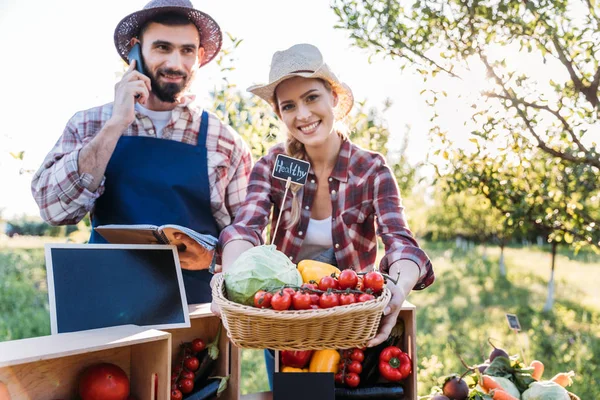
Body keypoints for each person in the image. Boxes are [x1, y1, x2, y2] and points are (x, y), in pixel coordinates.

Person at [212, 43, 435, 386]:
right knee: (301, 395)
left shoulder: (370, 169)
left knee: (345, 395)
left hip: (348, 319)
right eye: (289, 105)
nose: (302, 114)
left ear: (333, 97)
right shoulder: (274, 166)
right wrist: (231, 283)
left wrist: (398, 291)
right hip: (289, 323)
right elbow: (246, 228)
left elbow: (400, 243)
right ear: (279, 114)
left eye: (312, 97)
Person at [31, 0, 252, 304]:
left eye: (187, 51)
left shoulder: (224, 141)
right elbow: (54, 209)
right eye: (162, 47)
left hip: (197, 314)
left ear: (200, 57)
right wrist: (116, 124)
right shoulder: (90, 124)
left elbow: (247, 234)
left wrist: (213, 256)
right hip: (106, 308)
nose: (176, 63)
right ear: (136, 50)